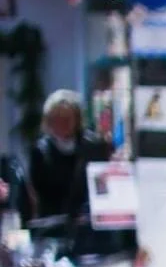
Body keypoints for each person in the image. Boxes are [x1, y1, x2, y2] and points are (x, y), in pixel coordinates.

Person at [27, 90, 110, 234]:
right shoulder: (40, 151)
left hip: (88, 223)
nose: (61, 123)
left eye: (66, 119)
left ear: (77, 119)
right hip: (53, 224)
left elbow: (101, 185)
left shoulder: (93, 146)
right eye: (56, 119)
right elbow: (39, 192)